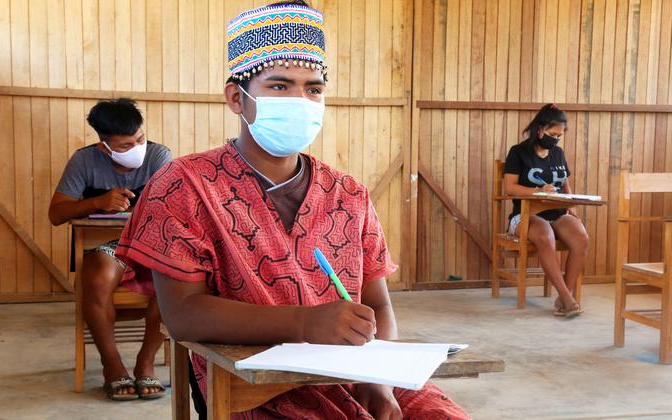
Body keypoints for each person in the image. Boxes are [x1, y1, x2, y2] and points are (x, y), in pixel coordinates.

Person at [115, 1, 469, 418]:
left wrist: (380, 383)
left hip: (361, 370)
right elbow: (182, 315)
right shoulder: (184, 185)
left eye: (313, 89)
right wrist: (304, 323)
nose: (301, 101)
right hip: (255, 383)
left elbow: (378, 306)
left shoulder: (348, 194)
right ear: (236, 98)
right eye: (280, 87)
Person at [48, 98, 171, 400]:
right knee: (99, 273)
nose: (137, 147)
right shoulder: (85, 161)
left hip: (151, 246)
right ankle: (112, 365)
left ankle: (145, 364)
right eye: (125, 145)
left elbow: (175, 212)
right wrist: (97, 202)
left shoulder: (159, 156)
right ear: (105, 147)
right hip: (107, 247)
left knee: (173, 276)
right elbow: (56, 215)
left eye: (139, 139)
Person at [503, 103, 589, 318]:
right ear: (540, 129)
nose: (556, 139)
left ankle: (564, 296)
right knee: (545, 235)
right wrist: (538, 190)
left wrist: (572, 206)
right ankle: (568, 299)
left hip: (557, 212)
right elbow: (510, 187)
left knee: (581, 238)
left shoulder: (557, 153)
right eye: (553, 134)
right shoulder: (518, 152)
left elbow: (565, 183)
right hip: (526, 214)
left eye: (560, 135)